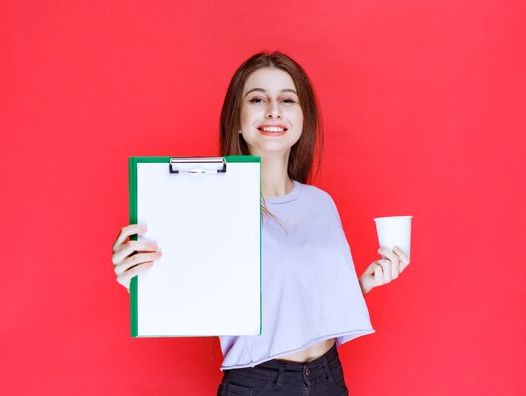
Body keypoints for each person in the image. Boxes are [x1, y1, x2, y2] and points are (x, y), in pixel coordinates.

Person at [111, 51, 410, 395]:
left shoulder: (320, 203)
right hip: (261, 383)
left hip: (330, 378)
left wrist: (363, 284)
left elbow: (305, 308)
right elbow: (181, 286)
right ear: (237, 119)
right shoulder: (211, 203)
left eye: (287, 99)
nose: (274, 110)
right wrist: (135, 279)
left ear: (302, 118)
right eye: (257, 98)